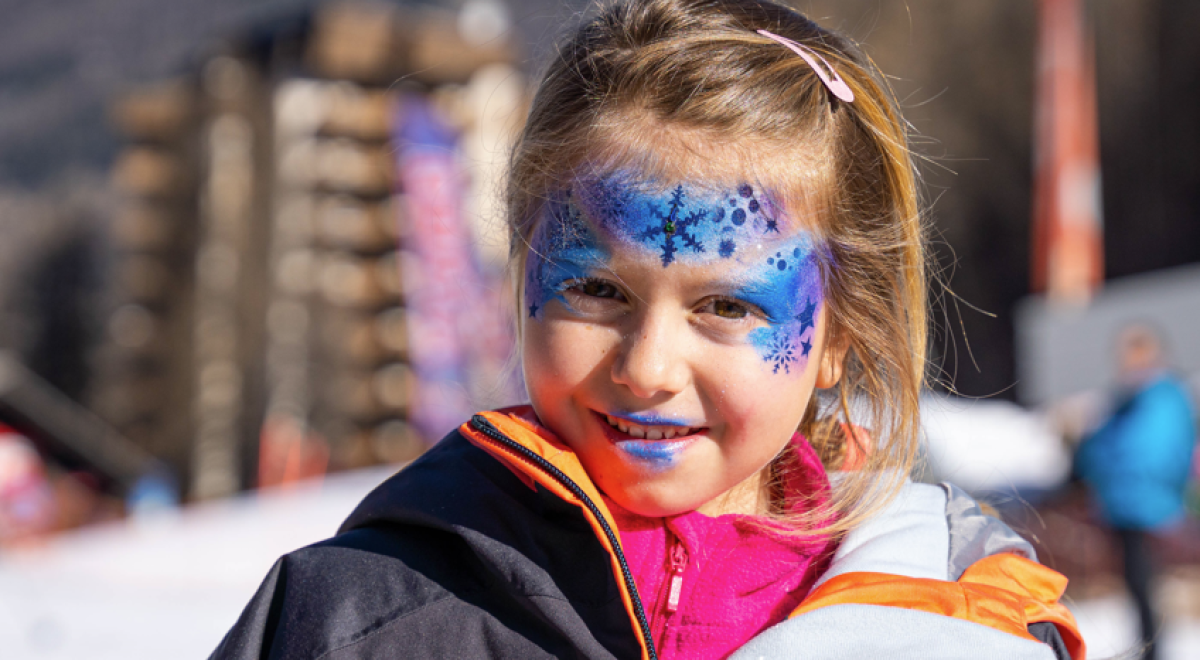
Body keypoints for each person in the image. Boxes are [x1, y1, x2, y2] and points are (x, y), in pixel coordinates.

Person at [212, 1, 1084, 658]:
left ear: (838, 337)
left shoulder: (959, 621)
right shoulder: (355, 618)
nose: (650, 366)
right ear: (525, 272)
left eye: (728, 306)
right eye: (596, 288)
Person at [1075, 324, 1197, 660]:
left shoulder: (1160, 398)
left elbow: (1148, 453)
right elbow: (1097, 448)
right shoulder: (1126, 399)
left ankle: (1154, 651)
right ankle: (1150, 649)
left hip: (1148, 506)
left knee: (1147, 588)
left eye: (1131, 350)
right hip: (1123, 504)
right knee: (1136, 588)